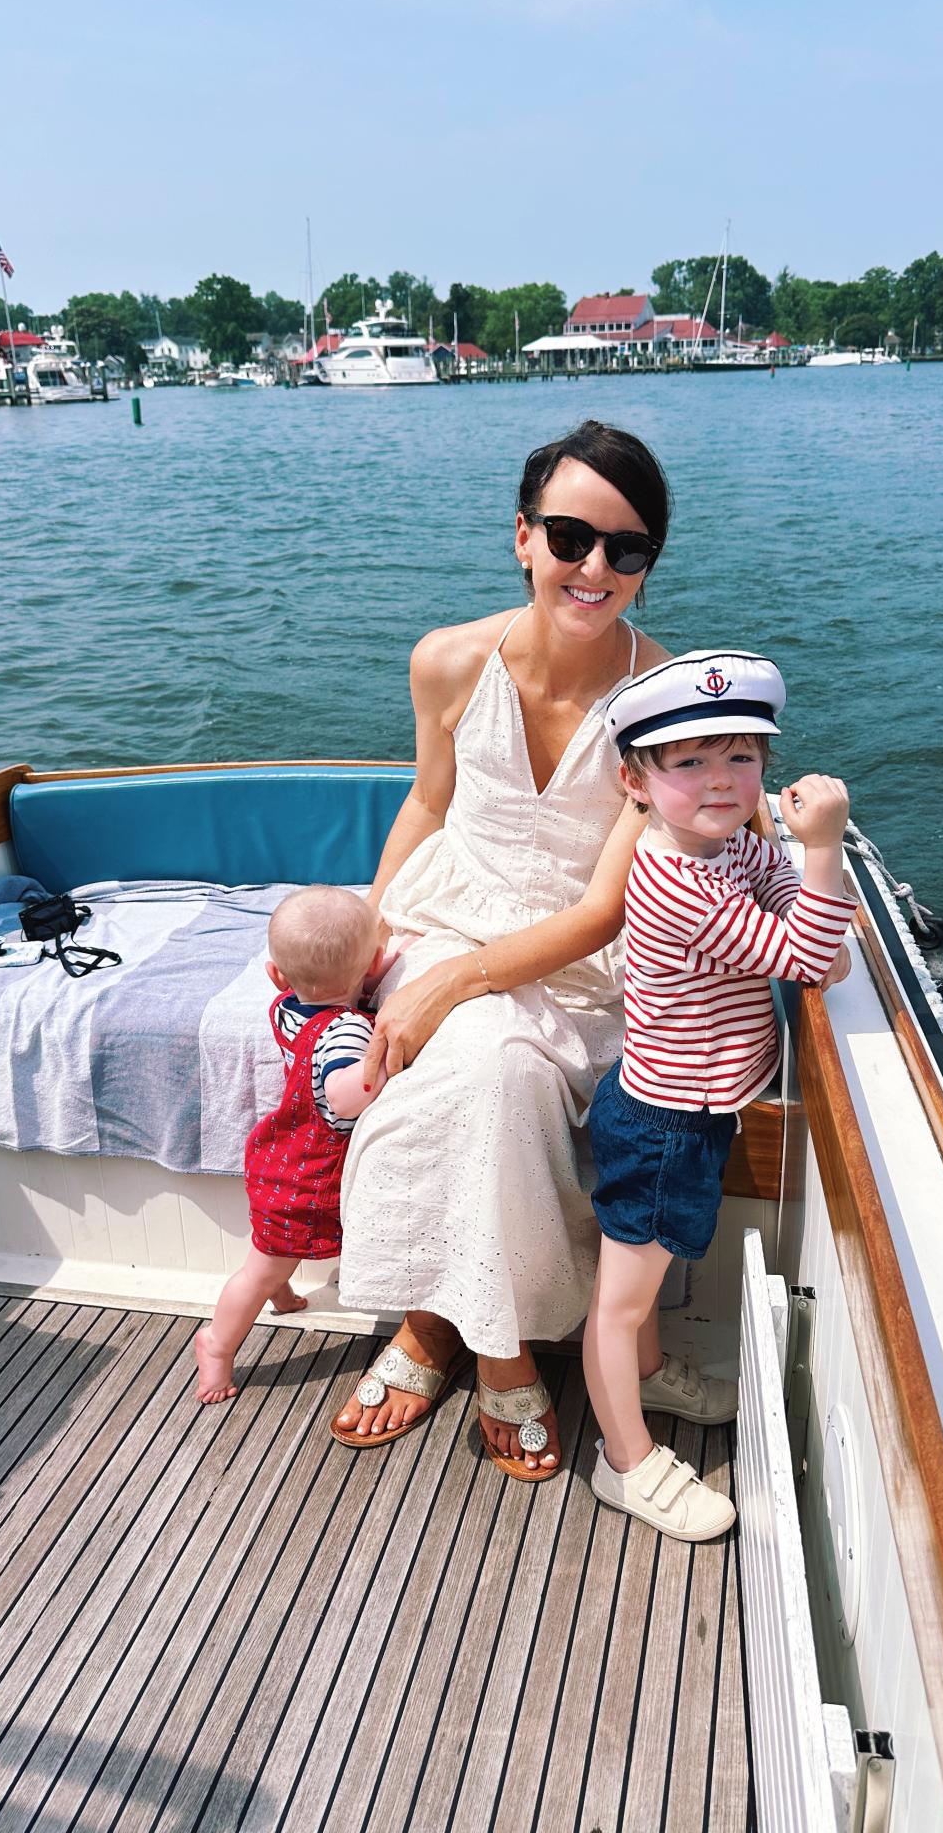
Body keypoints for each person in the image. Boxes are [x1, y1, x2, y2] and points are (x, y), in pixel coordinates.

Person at [329, 420, 679, 1477]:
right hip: (449, 915)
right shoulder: (446, 662)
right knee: (475, 1058)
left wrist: (452, 987)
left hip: (576, 956)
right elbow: (430, 802)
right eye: (572, 537)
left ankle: (453, 1332)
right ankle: (484, 1336)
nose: (596, 568)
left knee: (487, 1059)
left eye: (628, 550)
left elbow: (607, 915)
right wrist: (371, 934)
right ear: (522, 537)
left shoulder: (663, 702)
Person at [582, 651, 855, 1538]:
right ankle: (623, 1461)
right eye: (689, 761)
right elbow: (810, 951)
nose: (722, 781)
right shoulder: (672, 881)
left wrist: (798, 872)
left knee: (650, 1285)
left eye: (741, 757)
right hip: (665, 1124)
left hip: (695, 1114)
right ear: (636, 780)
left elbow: (781, 890)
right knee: (620, 1305)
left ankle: (655, 1376)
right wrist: (823, 847)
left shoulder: (727, 842)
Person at [194, 885, 384, 1404]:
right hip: (305, 1174)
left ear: (278, 975)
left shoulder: (285, 1007)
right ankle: (216, 1343)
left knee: (275, 1252)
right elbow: (346, 1097)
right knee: (263, 1265)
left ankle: (282, 1294)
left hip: (278, 1158)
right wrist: (384, 1061)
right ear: (375, 965)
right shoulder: (348, 1032)